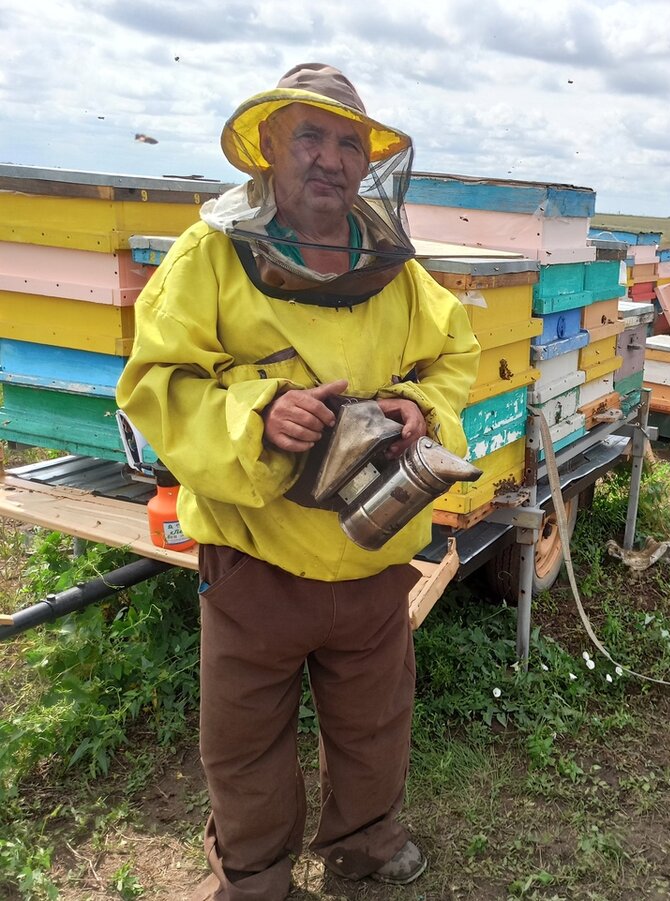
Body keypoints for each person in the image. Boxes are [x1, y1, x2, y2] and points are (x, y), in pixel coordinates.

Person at [116, 63, 481, 900]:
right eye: (309, 136)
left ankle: (365, 843)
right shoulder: (209, 254)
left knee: (374, 723)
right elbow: (158, 384)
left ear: (368, 162)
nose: (330, 158)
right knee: (243, 736)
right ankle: (253, 874)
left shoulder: (393, 263)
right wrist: (261, 416)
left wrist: (416, 404)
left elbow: (454, 355)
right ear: (269, 149)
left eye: (348, 142)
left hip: (372, 556)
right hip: (255, 562)